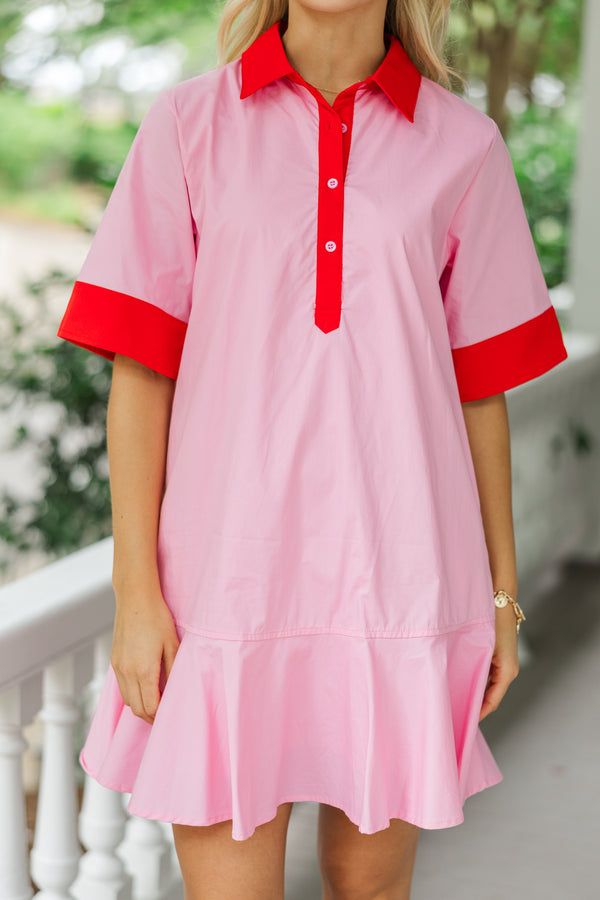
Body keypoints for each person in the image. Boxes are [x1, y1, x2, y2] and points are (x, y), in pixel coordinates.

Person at [56, 0, 568, 897]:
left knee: (370, 890)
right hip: (224, 590)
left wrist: (501, 596)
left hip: (401, 584)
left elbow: (478, 389)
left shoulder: (465, 146)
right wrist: (136, 593)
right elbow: (141, 374)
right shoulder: (187, 125)